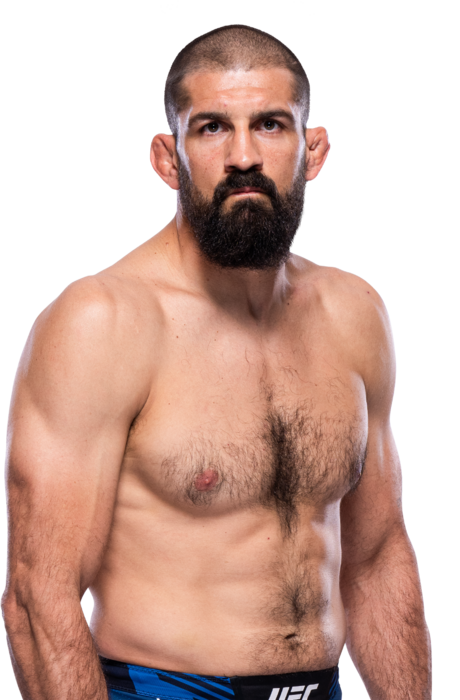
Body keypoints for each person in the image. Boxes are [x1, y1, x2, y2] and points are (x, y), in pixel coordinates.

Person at [2, 23, 432, 700]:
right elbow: (39, 595)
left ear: (312, 150)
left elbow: (376, 559)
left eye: (270, 125)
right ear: (167, 159)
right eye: (210, 128)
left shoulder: (353, 314)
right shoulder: (103, 322)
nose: (243, 156)